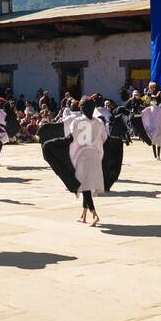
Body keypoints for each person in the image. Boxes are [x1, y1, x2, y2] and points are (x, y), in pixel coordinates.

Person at [69, 97, 108, 226]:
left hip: (81, 157)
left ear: (81, 108)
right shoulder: (99, 123)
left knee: (84, 187)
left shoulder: (76, 121)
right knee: (86, 185)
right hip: (95, 157)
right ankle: (83, 215)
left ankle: (94, 214)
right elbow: (104, 138)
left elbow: (72, 137)